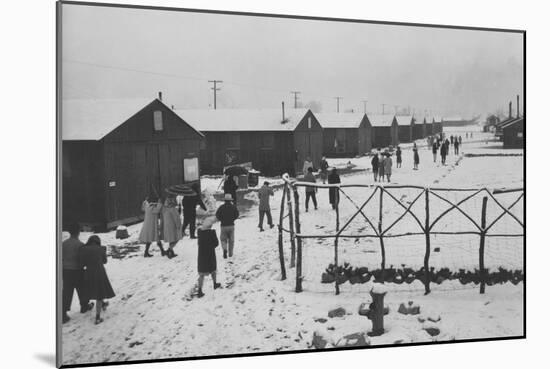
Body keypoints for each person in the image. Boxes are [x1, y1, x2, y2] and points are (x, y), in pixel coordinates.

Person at [79, 235, 115, 325]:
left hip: (88, 272)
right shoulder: (101, 249)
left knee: (93, 289)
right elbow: (104, 261)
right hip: (99, 272)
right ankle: (98, 317)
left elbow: (82, 263)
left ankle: (103, 304)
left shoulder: (83, 249)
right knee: (100, 294)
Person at [62, 223, 93, 323]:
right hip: (77, 270)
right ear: (78, 232)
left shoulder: (64, 244)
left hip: (66, 271)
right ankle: (84, 306)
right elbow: (82, 259)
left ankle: (63, 313)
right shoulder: (80, 245)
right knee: (82, 288)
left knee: (67, 291)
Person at [196, 216, 222, 298]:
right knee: (213, 269)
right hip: (210, 254)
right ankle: (215, 283)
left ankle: (199, 290)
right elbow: (216, 244)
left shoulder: (199, 233)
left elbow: (198, 243)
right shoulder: (211, 233)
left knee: (201, 274)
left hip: (201, 255)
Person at [216, 194, 240, 259]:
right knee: (231, 240)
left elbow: (217, 215)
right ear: (230, 200)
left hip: (223, 226)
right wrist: (233, 219)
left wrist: (221, 219)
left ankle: (224, 249)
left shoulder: (221, 207)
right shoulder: (233, 207)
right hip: (231, 225)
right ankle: (230, 254)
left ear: (225, 200)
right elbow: (237, 215)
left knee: (223, 239)